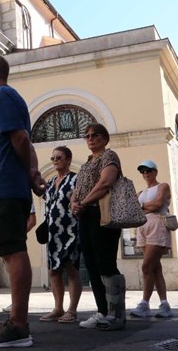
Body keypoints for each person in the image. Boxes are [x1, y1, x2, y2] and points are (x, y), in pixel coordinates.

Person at [0, 54, 45, 348]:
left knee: (14, 252)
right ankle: (16, 324)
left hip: (5, 188)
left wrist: (29, 174)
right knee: (8, 251)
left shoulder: (3, 95)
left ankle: (18, 327)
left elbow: (21, 139)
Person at [71, 123, 126, 330]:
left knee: (106, 263)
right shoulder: (87, 163)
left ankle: (117, 314)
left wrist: (83, 202)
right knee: (92, 266)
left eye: (95, 135)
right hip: (85, 216)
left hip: (103, 215)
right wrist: (74, 203)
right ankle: (102, 312)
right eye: (87, 136)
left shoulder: (109, 157)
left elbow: (105, 183)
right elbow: (77, 189)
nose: (90, 138)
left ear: (104, 138)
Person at [39, 146, 81, 323]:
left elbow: (78, 200)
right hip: (53, 232)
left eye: (59, 157)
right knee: (54, 271)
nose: (55, 160)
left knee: (71, 268)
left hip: (70, 229)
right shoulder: (51, 182)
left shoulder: (75, 179)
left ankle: (72, 310)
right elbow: (47, 201)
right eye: (53, 158)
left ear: (68, 159)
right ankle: (58, 308)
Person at [130, 160, 173, 318]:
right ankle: (164, 304)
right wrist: (146, 206)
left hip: (156, 223)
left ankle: (144, 303)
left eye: (148, 170)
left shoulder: (163, 186)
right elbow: (132, 209)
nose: (145, 174)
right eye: (143, 171)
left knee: (147, 266)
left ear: (155, 171)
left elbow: (158, 204)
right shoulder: (141, 193)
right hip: (142, 227)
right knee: (155, 268)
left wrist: (142, 207)